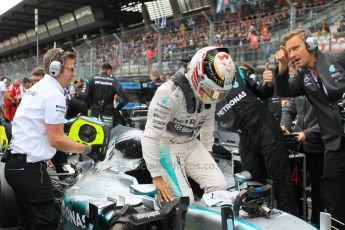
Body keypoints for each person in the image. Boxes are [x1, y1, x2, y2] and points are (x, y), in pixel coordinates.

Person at [4, 48, 102, 230]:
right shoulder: (53, 93)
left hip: (15, 166)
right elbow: (56, 140)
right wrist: (88, 149)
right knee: (47, 223)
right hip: (30, 170)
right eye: (71, 69)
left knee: (26, 224)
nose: (74, 73)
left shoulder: (38, 88)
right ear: (56, 69)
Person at [142, 46, 234, 202]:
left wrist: (208, 151)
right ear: (197, 75)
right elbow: (150, 137)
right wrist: (156, 176)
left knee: (219, 188)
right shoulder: (168, 93)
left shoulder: (212, 93)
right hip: (166, 146)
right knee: (185, 201)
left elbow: (208, 125)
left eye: (220, 93)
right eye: (212, 91)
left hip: (192, 143)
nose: (215, 97)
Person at [274, 29, 345, 228]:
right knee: (331, 190)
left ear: (311, 44)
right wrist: (282, 65)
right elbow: (284, 90)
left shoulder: (337, 58)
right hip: (333, 145)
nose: (292, 54)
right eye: (289, 50)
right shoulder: (302, 77)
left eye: (295, 47)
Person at [215, 62, 297, 214]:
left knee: (282, 185)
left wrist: (270, 83)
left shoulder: (237, 73)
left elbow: (263, 92)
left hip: (267, 131)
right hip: (245, 138)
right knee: (252, 187)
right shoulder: (204, 91)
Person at [81, 62, 129, 127]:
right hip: (108, 114)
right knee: (108, 134)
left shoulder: (91, 79)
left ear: (101, 70)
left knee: (94, 135)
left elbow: (83, 96)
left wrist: (89, 105)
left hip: (94, 114)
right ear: (109, 70)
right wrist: (118, 108)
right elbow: (126, 98)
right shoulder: (114, 81)